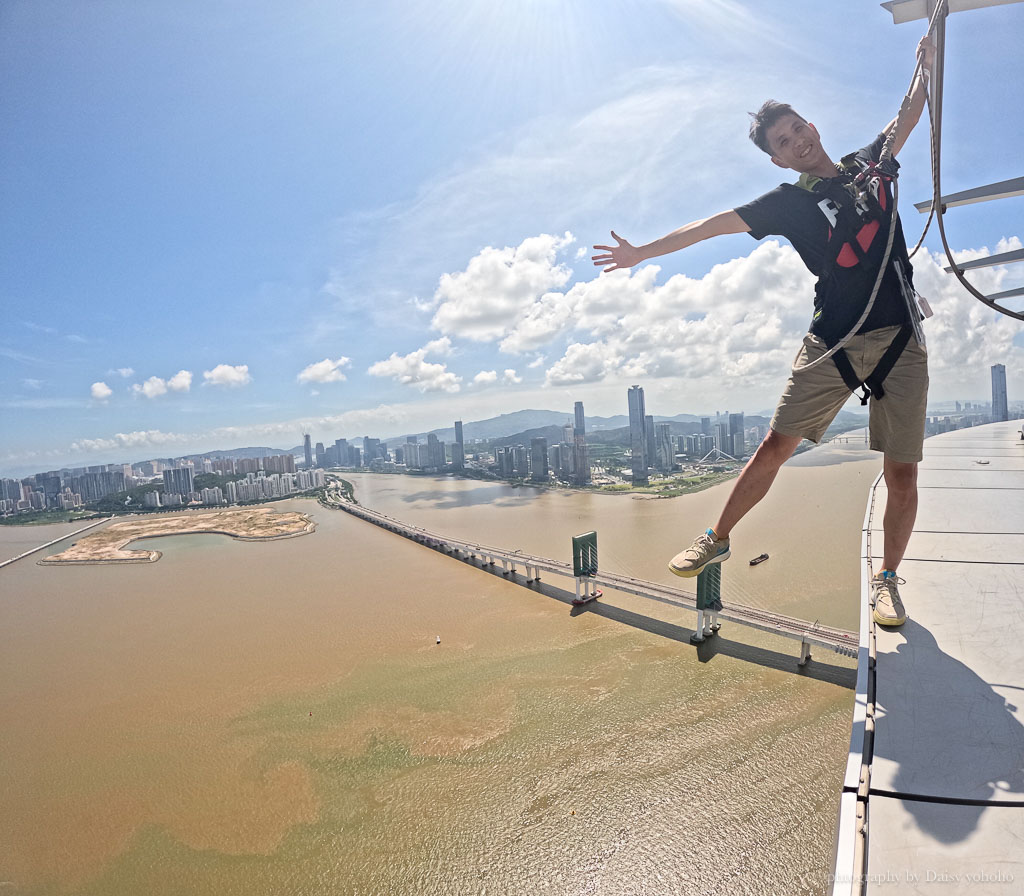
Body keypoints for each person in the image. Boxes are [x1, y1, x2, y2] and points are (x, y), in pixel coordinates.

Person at [592, 38, 935, 628]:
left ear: (812, 125)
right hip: (833, 339)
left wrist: (925, 63)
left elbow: (907, 114)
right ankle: (717, 535)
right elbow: (711, 225)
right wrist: (643, 253)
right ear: (778, 160)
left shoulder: (870, 165)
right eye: (783, 142)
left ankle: (886, 583)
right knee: (776, 444)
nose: (797, 140)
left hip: (901, 335)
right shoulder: (785, 202)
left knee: (902, 470)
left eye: (798, 128)